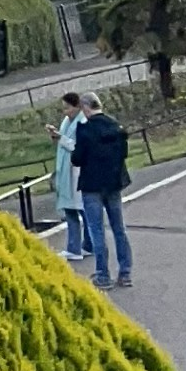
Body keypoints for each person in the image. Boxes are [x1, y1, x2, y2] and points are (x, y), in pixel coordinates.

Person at [71, 95, 135, 288]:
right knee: (118, 228)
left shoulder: (85, 130)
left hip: (92, 186)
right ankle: (125, 273)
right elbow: (123, 154)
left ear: (85, 107)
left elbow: (77, 158)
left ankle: (103, 275)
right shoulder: (116, 127)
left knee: (97, 230)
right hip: (114, 183)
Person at [50, 93, 95, 272]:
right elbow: (64, 141)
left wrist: (61, 138)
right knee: (77, 209)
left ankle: (75, 248)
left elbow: (76, 146)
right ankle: (86, 245)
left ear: (77, 106)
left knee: (76, 210)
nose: (65, 111)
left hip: (76, 171)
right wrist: (56, 136)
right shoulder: (67, 122)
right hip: (66, 170)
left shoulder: (82, 122)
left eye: (68, 108)